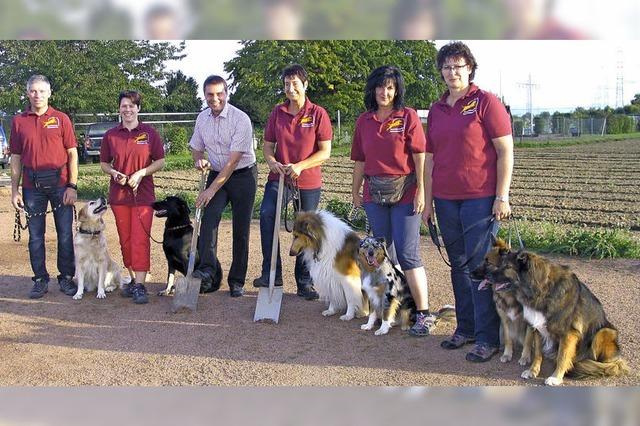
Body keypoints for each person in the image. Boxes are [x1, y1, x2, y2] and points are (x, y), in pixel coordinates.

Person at [422, 41, 514, 362]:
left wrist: (502, 195)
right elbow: (430, 159)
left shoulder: (486, 102)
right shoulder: (436, 109)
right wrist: (428, 200)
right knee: (458, 265)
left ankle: (489, 338)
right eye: (447, 67)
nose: (452, 72)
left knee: (481, 268)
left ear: (470, 68)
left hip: (480, 198)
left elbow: (505, 151)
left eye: (458, 66)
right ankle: (466, 328)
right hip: (446, 199)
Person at [351, 65, 436, 337]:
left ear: (396, 90)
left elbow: (420, 157)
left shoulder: (407, 116)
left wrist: (422, 190)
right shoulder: (364, 121)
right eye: (379, 87)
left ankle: (423, 314)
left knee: (408, 254)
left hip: (406, 193)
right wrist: (355, 191)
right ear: (372, 89)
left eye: (389, 87)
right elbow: (360, 161)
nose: (384, 92)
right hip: (374, 194)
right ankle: (385, 307)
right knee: (380, 254)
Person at [253, 64, 332, 300]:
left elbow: (325, 151)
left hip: (307, 179)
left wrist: (300, 166)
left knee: (306, 229)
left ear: (305, 85)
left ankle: (304, 282)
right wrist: (272, 162)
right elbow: (268, 147)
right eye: (286, 84)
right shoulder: (277, 113)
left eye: (295, 83)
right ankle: (271, 273)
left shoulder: (318, 114)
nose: (290, 88)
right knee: (267, 214)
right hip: (280, 178)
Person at [9, 74, 79, 299]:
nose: (37, 95)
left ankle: (66, 278)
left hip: (61, 186)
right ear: (28, 93)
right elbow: (16, 158)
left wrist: (72, 186)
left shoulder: (61, 119)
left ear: (49, 93)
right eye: (33, 91)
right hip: (32, 187)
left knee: (65, 234)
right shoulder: (19, 121)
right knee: (36, 237)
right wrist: (14, 190)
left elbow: (72, 154)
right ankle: (40, 279)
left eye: (41, 91)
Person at [190, 75, 257, 298]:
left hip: (242, 176)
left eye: (219, 93)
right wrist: (199, 159)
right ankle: (208, 273)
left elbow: (233, 161)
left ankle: (236, 281)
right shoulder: (202, 119)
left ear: (226, 93)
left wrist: (210, 190)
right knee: (208, 221)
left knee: (241, 229)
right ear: (205, 95)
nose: (215, 98)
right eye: (210, 94)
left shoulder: (241, 119)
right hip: (217, 173)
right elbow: (196, 147)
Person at [100, 90, 166, 304]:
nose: (127, 109)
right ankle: (132, 278)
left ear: (138, 108)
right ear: (119, 109)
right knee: (126, 241)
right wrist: (113, 173)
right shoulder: (111, 135)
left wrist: (141, 173)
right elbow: (104, 163)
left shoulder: (149, 133)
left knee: (140, 240)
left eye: (131, 105)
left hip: (143, 196)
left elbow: (160, 161)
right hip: (119, 196)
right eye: (124, 106)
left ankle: (140, 284)